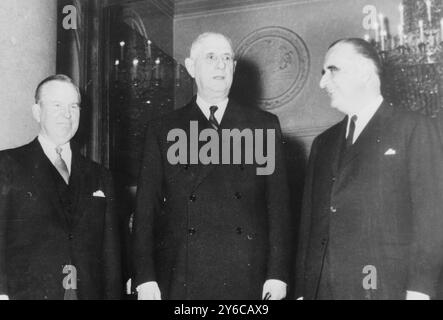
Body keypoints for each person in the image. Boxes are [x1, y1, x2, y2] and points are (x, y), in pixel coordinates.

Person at [133, 32, 292, 300]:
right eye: (211, 57)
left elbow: (278, 205)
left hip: (247, 271)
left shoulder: (262, 124)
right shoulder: (163, 129)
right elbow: (146, 209)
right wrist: (145, 277)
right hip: (183, 273)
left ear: (234, 67)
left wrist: (278, 274)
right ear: (191, 67)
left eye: (227, 58)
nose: (221, 65)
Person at [295, 38, 443, 300]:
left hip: (385, 288)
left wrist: (421, 290)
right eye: (322, 73)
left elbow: (431, 220)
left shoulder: (414, 129)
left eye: (333, 70)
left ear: (364, 72)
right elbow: (309, 225)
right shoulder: (323, 143)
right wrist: (304, 291)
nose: (322, 82)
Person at [0, 75, 123, 299]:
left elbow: (111, 254)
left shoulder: (100, 175)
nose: (67, 114)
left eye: (73, 106)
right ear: (37, 112)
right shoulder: (7, 165)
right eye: (57, 105)